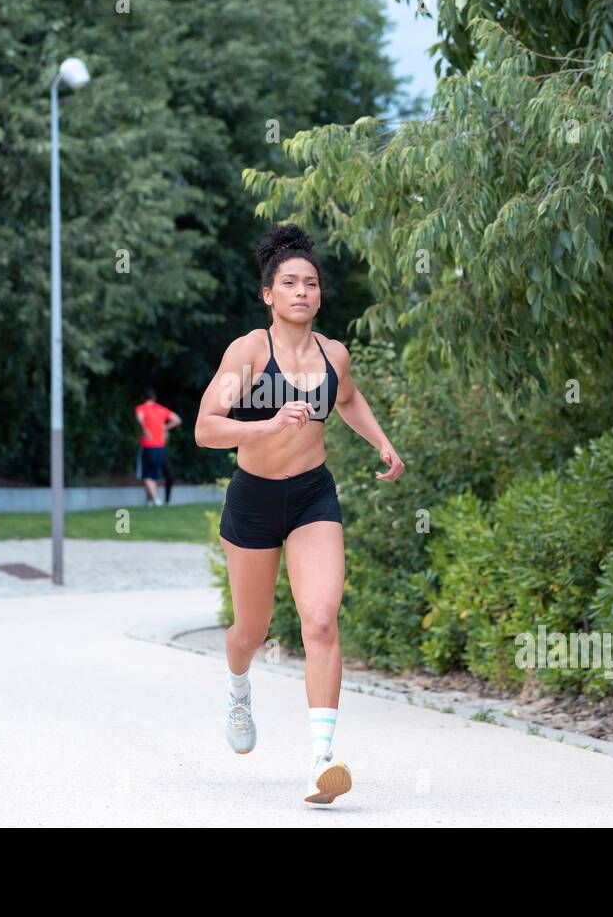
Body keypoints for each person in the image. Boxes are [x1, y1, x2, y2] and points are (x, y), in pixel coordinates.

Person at [194, 222, 405, 806]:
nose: (302, 292)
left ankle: (321, 761)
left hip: (313, 497)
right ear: (268, 294)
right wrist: (264, 423)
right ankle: (239, 687)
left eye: (310, 283)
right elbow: (205, 428)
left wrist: (381, 442)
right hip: (254, 500)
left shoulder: (333, 353)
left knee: (320, 619)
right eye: (288, 283)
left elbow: (349, 397)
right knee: (251, 631)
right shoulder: (248, 351)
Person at [134, 388, 181, 506]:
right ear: (154, 398)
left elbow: (139, 417)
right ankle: (150, 501)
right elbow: (177, 420)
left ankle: (156, 500)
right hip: (161, 446)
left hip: (148, 445)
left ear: (143, 398)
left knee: (146, 474)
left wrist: (144, 429)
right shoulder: (161, 409)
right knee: (153, 474)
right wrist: (164, 428)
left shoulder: (141, 408)